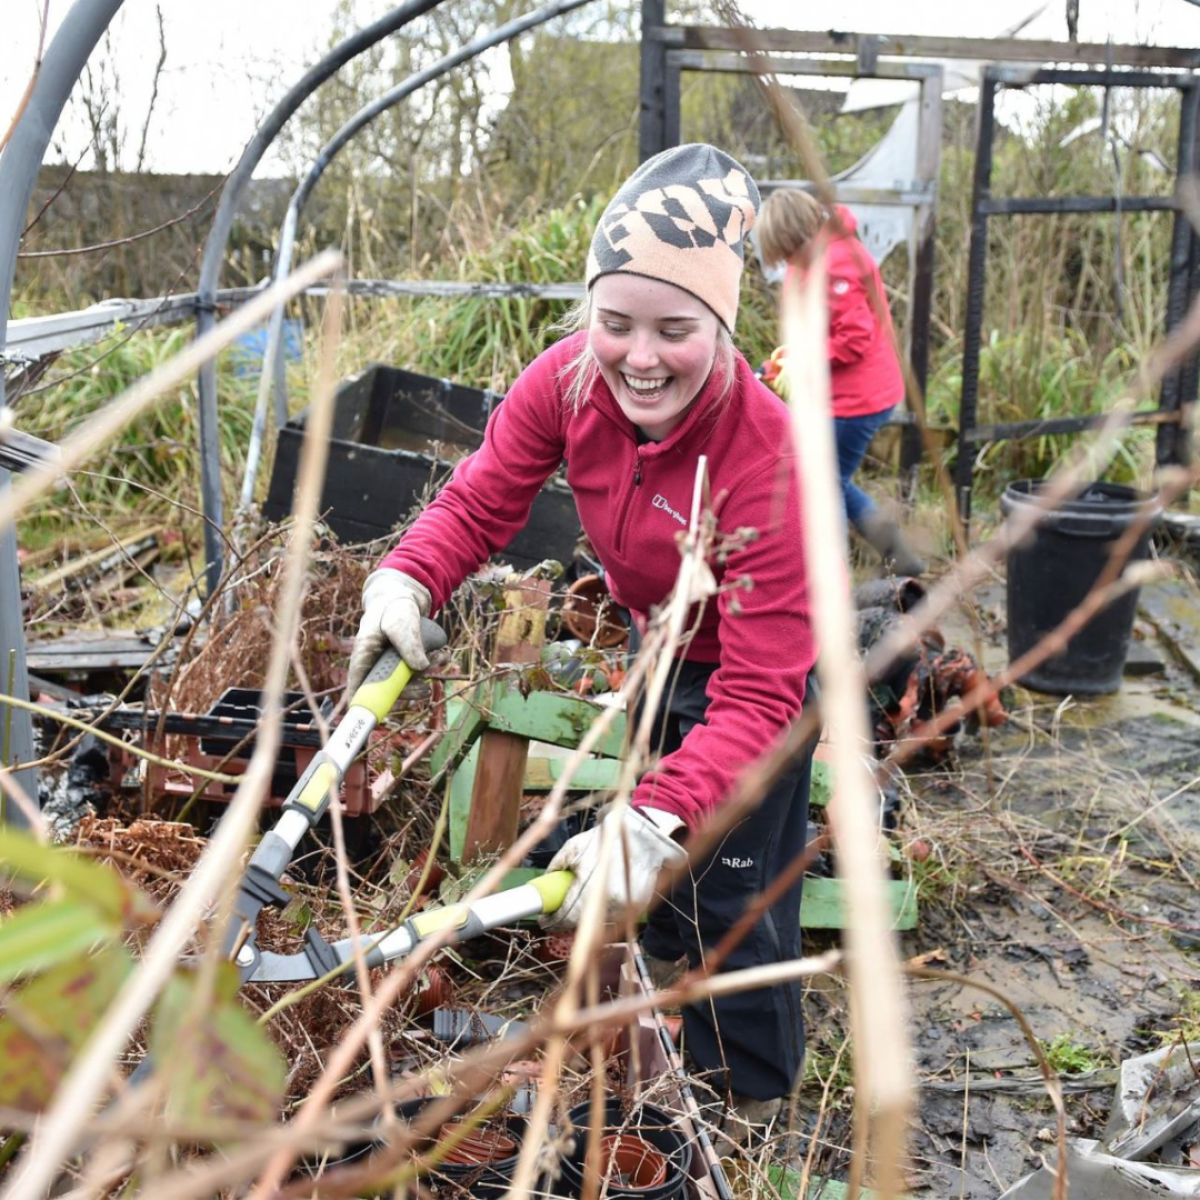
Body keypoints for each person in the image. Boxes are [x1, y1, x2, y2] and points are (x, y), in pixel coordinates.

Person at [347, 144, 816, 1147]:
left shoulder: (769, 456)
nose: (640, 355)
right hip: (662, 646)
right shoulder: (566, 384)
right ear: (589, 313)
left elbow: (760, 700)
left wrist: (660, 813)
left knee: (729, 889)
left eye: (676, 330)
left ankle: (754, 1102)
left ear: (726, 329)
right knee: (661, 877)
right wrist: (408, 574)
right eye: (617, 322)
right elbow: (480, 499)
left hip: (760, 683)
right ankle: (659, 1044)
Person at [757, 188, 925, 578]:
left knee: (824, 485)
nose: (784, 264)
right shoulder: (810, 258)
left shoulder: (837, 263)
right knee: (828, 480)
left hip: (858, 400)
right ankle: (897, 555)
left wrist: (803, 360)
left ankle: (834, 578)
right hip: (835, 395)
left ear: (798, 236)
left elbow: (854, 339)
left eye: (786, 253)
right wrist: (781, 362)